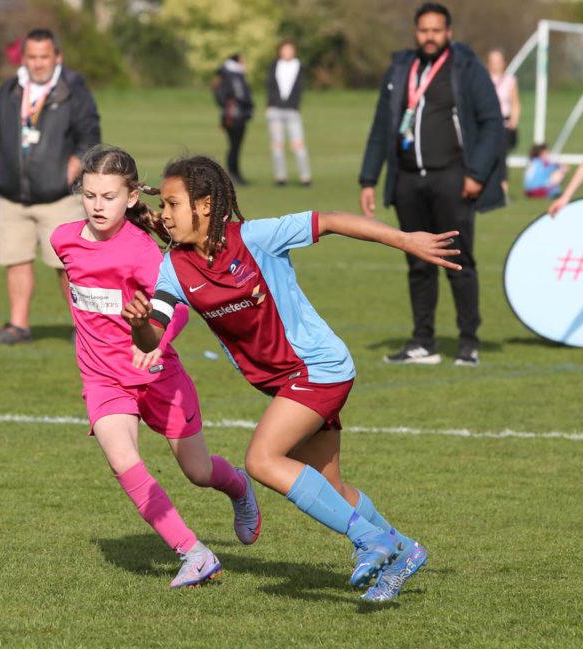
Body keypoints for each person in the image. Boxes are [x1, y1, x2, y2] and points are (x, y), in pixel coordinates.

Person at [123, 155, 457, 601]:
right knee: (333, 487)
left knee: (261, 460)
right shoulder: (174, 267)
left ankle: (370, 542)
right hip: (287, 383)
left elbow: (332, 220)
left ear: (204, 205)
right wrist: (139, 323)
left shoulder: (257, 237)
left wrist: (405, 240)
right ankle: (403, 549)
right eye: (162, 205)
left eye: (173, 204)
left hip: (319, 368)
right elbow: (151, 338)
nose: (164, 215)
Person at [50, 145, 261, 589]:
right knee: (123, 459)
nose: (97, 206)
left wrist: (154, 339)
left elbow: (179, 307)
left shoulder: (142, 251)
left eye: (108, 197)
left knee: (198, 473)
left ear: (130, 198)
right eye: (89, 196)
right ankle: (194, 553)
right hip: (103, 379)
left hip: (158, 377)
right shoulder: (63, 240)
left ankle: (239, 487)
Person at [359, 2, 504, 367]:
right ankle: (423, 342)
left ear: (448, 33)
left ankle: (468, 341)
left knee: (458, 261)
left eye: (436, 30)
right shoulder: (400, 68)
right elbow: (381, 127)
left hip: (453, 178)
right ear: (415, 32)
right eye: (423, 30)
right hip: (408, 180)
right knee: (418, 262)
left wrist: (477, 174)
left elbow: (492, 123)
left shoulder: (466, 67)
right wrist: (368, 178)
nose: (429, 37)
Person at [0, 28, 101, 345]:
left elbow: (89, 136)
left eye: (44, 56)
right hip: (12, 195)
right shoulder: (9, 89)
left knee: (67, 266)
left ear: (57, 56)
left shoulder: (74, 90)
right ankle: (18, 326)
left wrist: (68, 174)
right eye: (32, 57)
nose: (38, 63)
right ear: (24, 58)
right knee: (15, 258)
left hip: (58, 198)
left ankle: (84, 328)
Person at [265, 40, 311, 187]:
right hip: (275, 110)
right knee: (277, 145)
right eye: (285, 49)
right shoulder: (274, 66)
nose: (287, 52)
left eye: (290, 49)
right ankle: (280, 176)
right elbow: (270, 87)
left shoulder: (299, 66)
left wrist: (296, 105)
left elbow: (299, 88)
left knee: (298, 144)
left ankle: (305, 176)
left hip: (292, 110)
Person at [213, 53, 254, 185]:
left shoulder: (225, 74)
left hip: (228, 115)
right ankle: (233, 175)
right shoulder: (234, 75)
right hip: (235, 116)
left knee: (234, 146)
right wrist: (249, 106)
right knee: (235, 147)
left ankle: (235, 174)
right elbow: (241, 95)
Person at [487, 48, 520, 195]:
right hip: (486, 125)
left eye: (498, 61)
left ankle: (503, 190)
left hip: (503, 124)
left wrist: (514, 121)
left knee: (501, 157)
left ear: (504, 63)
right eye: (493, 61)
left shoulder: (510, 81)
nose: (495, 64)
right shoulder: (483, 79)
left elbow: (515, 103)